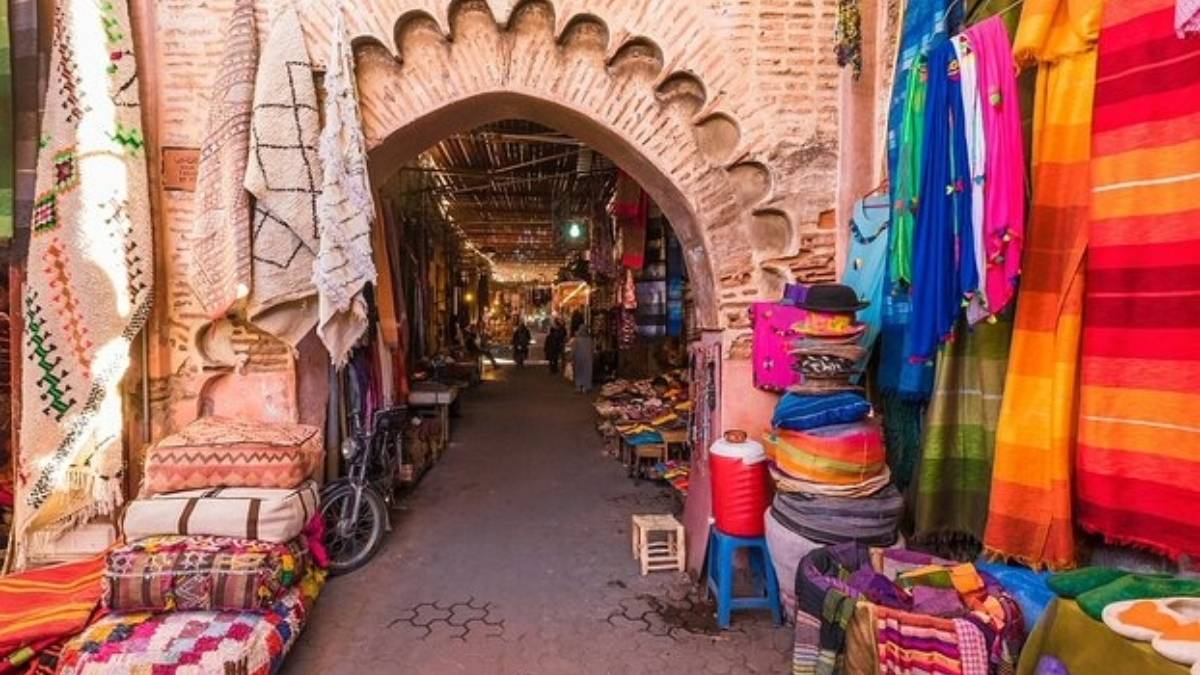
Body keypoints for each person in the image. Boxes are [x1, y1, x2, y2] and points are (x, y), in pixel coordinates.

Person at [571, 325, 594, 393]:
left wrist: (571, 357)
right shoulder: (589, 339)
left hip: (579, 357)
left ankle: (578, 386)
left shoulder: (577, 339)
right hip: (588, 358)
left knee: (579, 371)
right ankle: (586, 386)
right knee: (587, 372)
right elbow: (592, 349)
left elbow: (574, 349)